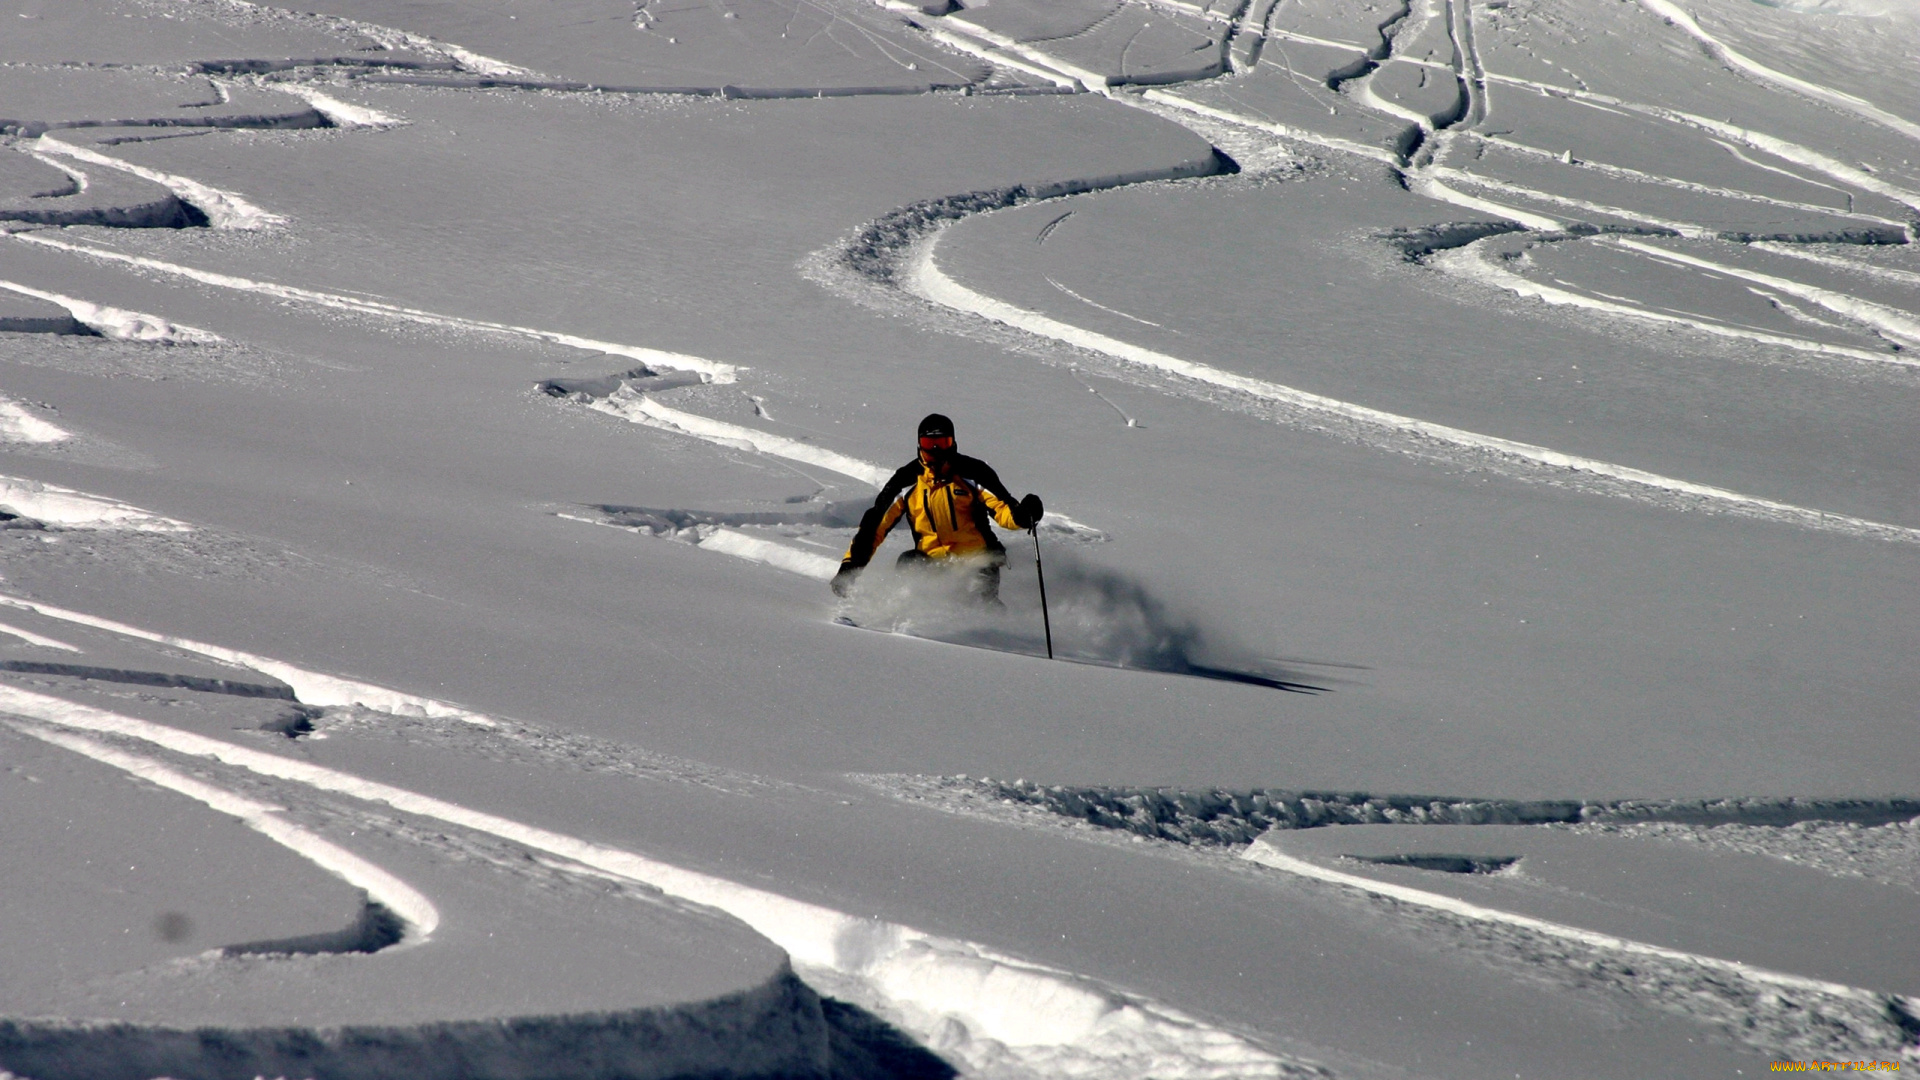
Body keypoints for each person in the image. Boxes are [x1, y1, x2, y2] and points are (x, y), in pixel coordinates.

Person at [832, 413, 1043, 603]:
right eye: (928, 442)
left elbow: (1002, 508)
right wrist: (851, 566)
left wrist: (1023, 516)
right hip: (931, 561)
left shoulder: (973, 472)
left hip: (977, 559)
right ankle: (902, 617)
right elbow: (876, 525)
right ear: (919, 445)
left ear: (953, 444)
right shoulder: (906, 480)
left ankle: (991, 630)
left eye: (942, 442)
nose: (935, 450)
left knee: (975, 600)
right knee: (908, 563)